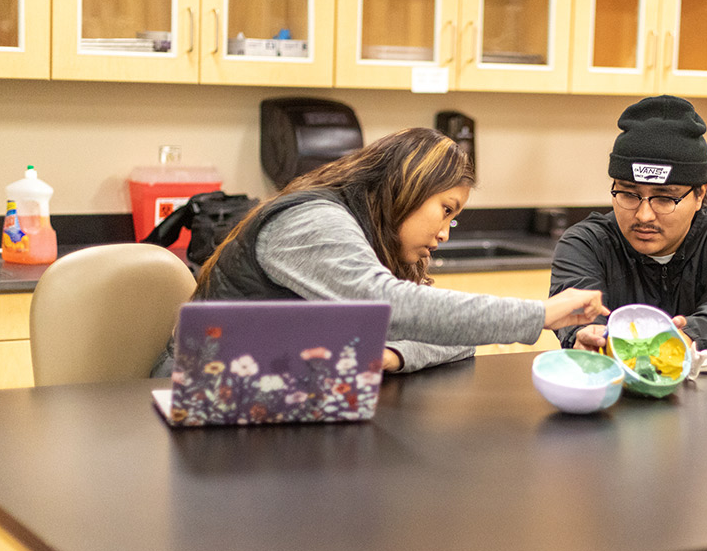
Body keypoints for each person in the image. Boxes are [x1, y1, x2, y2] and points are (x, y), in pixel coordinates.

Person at [153, 127, 606, 375]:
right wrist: (539, 315)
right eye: (445, 210)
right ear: (408, 186)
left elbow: (452, 334)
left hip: (274, 389)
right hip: (202, 394)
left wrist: (395, 353)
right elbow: (390, 305)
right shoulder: (312, 222)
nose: (446, 233)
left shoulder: (372, 236)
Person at [550, 95, 707, 354]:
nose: (644, 215)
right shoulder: (586, 244)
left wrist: (689, 337)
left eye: (665, 198)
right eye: (629, 194)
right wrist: (585, 335)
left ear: (700, 194)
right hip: (613, 390)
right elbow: (580, 319)